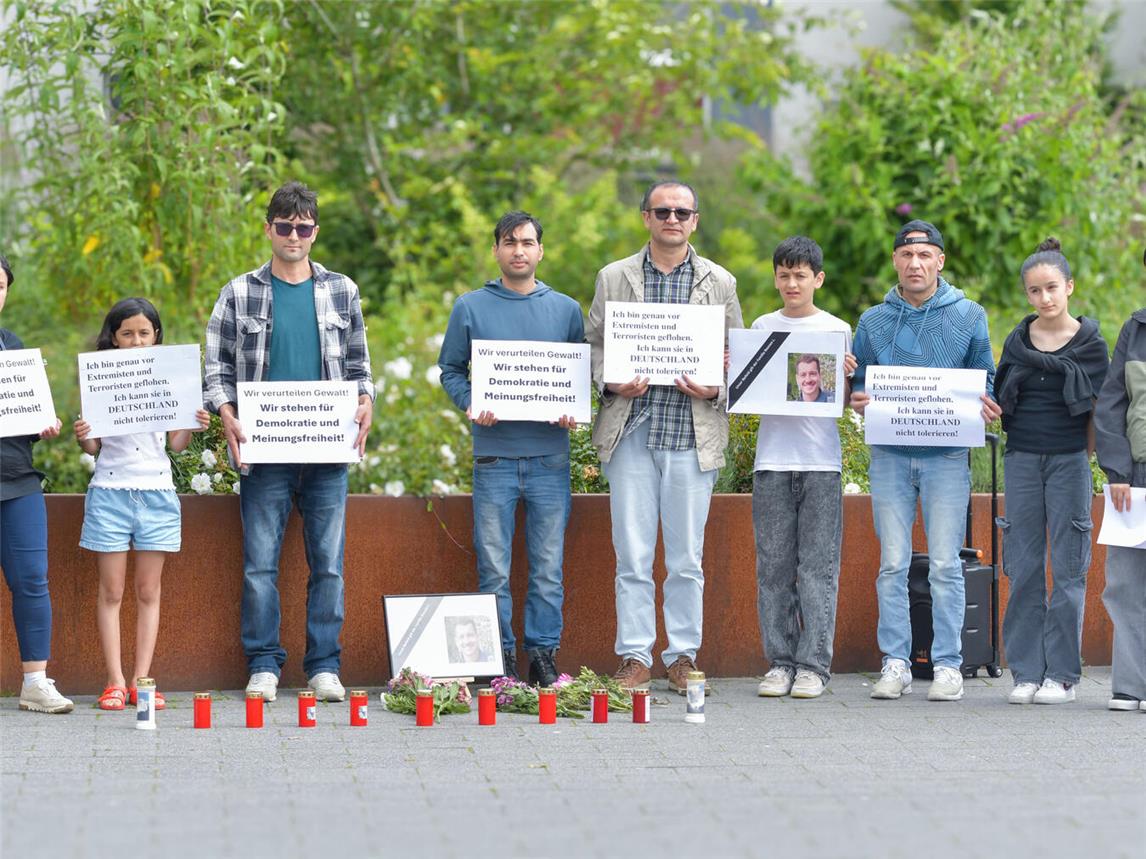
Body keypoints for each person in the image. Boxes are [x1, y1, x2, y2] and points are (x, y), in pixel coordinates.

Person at [204, 181, 373, 703]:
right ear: (269, 229)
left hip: (326, 453)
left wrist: (366, 402)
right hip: (265, 453)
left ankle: (324, 665)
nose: (294, 235)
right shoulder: (238, 292)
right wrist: (227, 413)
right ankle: (263, 664)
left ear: (315, 231)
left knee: (328, 564)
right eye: (285, 227)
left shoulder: (342, 290)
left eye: (303, 227)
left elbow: (360, 366)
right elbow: (215, 369)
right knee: (259, 565)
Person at [587, 181, 743, 694]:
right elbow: (593, 345)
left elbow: (736, 358)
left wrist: (716, 385)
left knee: (685, 558)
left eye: (681, 211)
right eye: (662, 211)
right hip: (631, 430)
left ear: (695, 220)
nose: (671, 219)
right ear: (646, 218)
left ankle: (681, 655)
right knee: (631, 555)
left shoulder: (720, 282)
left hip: (692, 433)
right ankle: (635, 657)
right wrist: (610, 378)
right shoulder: (615, 277)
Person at [851, 219, 1000, 702]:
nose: (915, 264)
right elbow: (857, 384)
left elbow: (987, 377)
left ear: (940, 261)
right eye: (905, 255)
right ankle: (894, 662)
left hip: (946, 457)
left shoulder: (970, 314)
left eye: (924, 256)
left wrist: (986, 402)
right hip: (891, 456)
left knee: (944, 565)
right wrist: (857, 397)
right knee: (892, 564)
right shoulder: (872, 321)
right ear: (895, 261)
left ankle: (948, 664)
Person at [438, 211, 584, 686]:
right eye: (509, 242)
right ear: (496, 250)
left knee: (547, 569)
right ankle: (497, 659)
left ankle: (542, 655)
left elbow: (578, 377)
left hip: (549, 457)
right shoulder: (470, 306)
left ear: (541, 250)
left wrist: (571, 408)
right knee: (494, 568)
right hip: (494, 458)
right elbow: (451, 370)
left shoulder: (565, 309)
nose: (518, 250)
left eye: (527, 242)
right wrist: (470, 403)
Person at [74, 298, 211, 711]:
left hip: (157, 493)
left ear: (156, 338)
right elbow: (94, 448)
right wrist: (83, 433)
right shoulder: (100, 378)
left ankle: (141, 680)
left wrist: (191, 423)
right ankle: (114, 680)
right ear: (113, 339)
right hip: (110, 492)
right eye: (127, 333)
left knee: (149, 590)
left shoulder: (169, 381)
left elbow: (176, 444)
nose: (136, 341)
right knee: (112, 590)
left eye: (144, 333)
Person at [994, 238, 1108, 705]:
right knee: (1022, 568)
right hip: (1021, 460)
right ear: (1027, 295)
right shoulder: (1017, 343)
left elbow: (1106, 410)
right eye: (1035, 291)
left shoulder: (1092, 344)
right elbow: (1002, 398)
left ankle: (1061, 675)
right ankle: (1025, 671)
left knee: (1067, 571)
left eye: (1052, 288)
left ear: (1070, 287)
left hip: (1069, 463)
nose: (1045, 298)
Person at [752, 237, 855, 700]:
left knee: (818, 567)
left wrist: (849, 374)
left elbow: (848, 397)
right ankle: (779, 662)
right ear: (775, 278)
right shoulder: (760, 326)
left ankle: (814, 665)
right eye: (784, 275)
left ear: (818, 279)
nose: (792, 283)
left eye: (801, 275)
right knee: (772, 567)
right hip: (771, 460)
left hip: (821, 464)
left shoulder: (837, 329)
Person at [0, 253, 73, 714]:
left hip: (17, 480)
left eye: (1, 285)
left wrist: (44, 424)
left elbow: (21, 418)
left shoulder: (13, 346)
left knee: (31, 581)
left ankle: (35, 683)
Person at [1094, 247, 1146, 713]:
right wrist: (1117, 471)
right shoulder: (1135, 330)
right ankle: (1130, 685)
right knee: (1125, 586)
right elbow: (1111, 404)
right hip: (1136, 481)